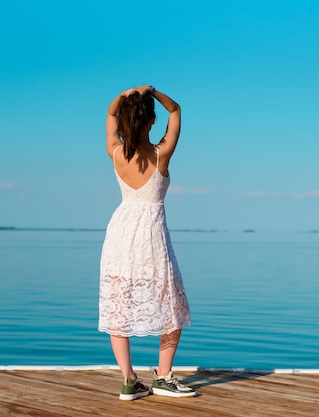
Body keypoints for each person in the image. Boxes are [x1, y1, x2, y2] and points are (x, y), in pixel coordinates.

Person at [98, 85, 195, 400]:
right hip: (151, 237)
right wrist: (153, 92)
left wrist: (125, 96)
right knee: (172, 307)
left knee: (118, 306)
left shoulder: (115, 151)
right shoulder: (161, 153)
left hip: (119, 234)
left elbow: (111, 112)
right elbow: (177, 110)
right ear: (151, 121)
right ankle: (163, 376)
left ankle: (129, 380)